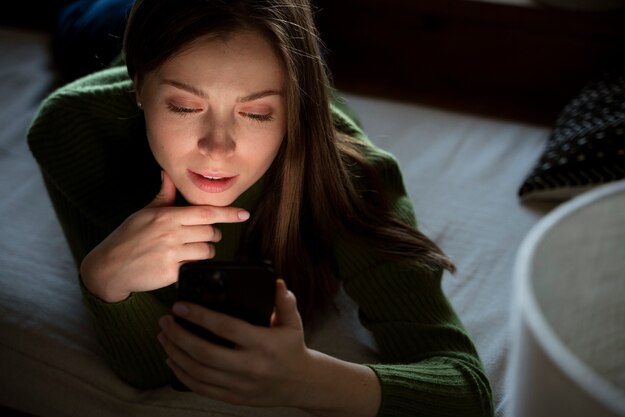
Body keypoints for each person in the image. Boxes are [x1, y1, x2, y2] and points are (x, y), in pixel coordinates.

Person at [27, 0, 494, 416]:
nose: (217, 148)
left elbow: (465, 392)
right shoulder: (74, 129)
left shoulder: (353, 178)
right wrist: (103, 281)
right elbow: (150, 366)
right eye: (185, 107)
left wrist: (309, 380)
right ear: (138, 89)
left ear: (294, 108)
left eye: (257, 114)